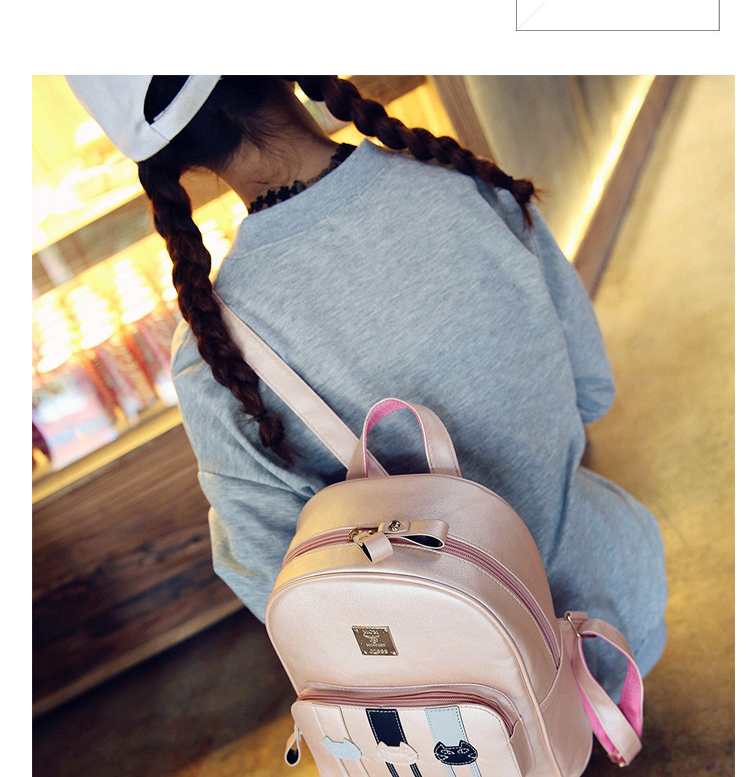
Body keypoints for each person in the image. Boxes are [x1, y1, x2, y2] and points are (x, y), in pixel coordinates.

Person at [65, 75, 667, 696]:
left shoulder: (215, 356)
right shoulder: (465, 182)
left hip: (487, 698)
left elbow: (274, 583)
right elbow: (592, 390)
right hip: (620, 603)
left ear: (171, 157)